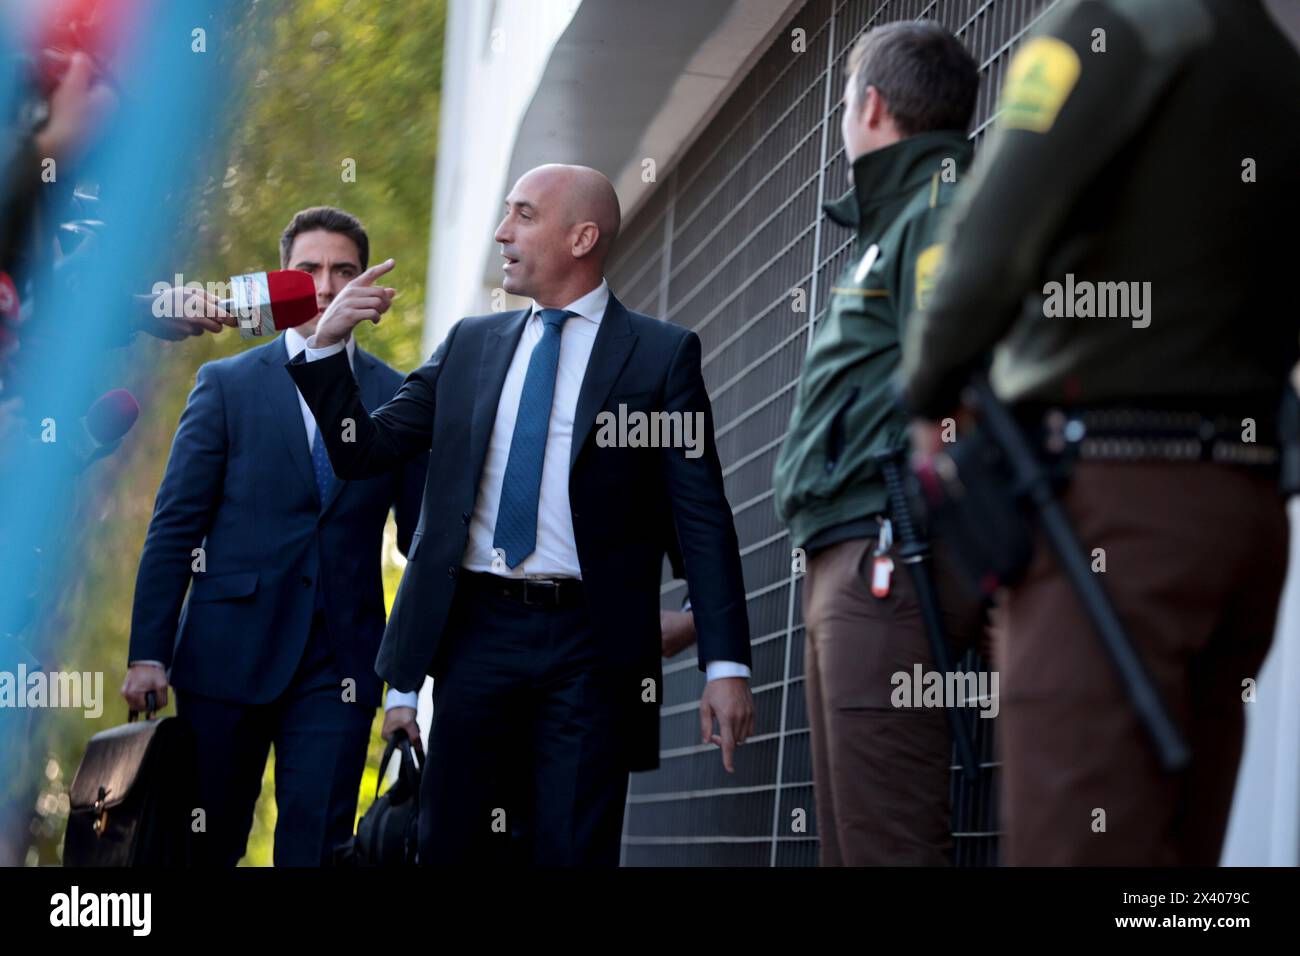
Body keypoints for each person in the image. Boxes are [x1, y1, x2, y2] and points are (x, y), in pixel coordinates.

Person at [900, 0, 1300, 865]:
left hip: (1111, 505)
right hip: (1244, 503)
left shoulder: (1114, 23)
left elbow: (987, 244)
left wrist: (928, 389)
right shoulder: (1275, 55)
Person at [287, 164, 754, 867]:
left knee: (572, 848)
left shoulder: (659, 358)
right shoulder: (472, 345)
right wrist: (326, 348)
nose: (502, 231)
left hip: (592, 646)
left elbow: (701, 518)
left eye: (523, 215)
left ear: (582, 236)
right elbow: (367, 449)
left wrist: (726, 665)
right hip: (476, 632)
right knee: (454, 845)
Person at [121, 206, 428, 866]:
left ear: (364, 285)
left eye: (343, 270)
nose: (324, 286)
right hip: (223, 659)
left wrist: (404, 683)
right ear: (279, 281)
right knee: (202, 846)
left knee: (317, 851)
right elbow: (175, 525)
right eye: (307, 270)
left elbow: (422, 544)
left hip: (340, 669)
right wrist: (148, 652)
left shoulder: (399, 396)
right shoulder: (227, 384)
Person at [771, 21, 983, 866]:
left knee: (885, 847)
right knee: (857, 845)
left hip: (888, 548)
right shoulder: (904, 218)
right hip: (860, 548)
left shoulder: (934, 210)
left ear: (870, 105)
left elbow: (952, 370)